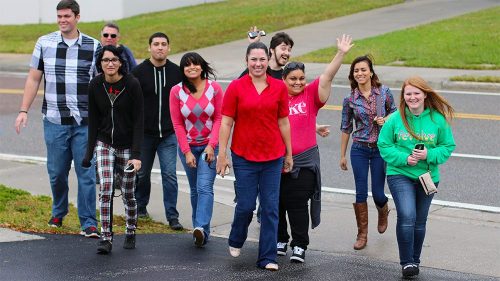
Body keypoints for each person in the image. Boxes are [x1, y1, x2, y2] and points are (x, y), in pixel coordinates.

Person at [14, 0, 100, 238]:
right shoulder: (44, 43)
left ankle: (88, 221)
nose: (63, 20)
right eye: (59, 16)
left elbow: (101, 84)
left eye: (67, 16)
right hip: (54, 120)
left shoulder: (94, 46)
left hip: (85, 122)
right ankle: (59, 211)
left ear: (77, 17)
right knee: (57, 172)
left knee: (86, 172)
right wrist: (23, 110)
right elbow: (33, 79)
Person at [216, 42, 293, 271]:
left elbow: (283, 122)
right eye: (253, 59)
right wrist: (222, 154)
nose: (258, 64)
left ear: (268, 60)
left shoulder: (279, 87)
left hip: (273, 156)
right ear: (246, 61)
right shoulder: (236, 87)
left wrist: (288, 153)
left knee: (270, 208)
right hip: (244, 156)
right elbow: (227, 122)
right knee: (246, 206)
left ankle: (267, 257)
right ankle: (236, 237)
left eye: (262, 59)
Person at [278, 34, 353, 263]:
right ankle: (280, 238)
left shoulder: (310, 95)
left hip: (305, 160)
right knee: (277, 201)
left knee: (298, 202)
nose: (298, 82)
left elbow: (328, 75)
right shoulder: (276, 96)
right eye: (293, 79)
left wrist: (340, 53)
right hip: (277, 159)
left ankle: (300, 245)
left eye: (301, 78)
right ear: (284, 79)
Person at [378, 76, 455, 278]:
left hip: (427, 177)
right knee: (407, 215)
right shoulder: (395, 118)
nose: (412, 97)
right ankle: (407, 262)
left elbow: (448, 146)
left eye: (416, 93)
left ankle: (415, 260)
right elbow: (384, 145)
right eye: (408, 93)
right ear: (403, 96)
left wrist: (429, 155)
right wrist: (405, 158)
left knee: (420, 221)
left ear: (424, 95)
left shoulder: (437, 119)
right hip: (400, 173)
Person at [83, 45, 144, 254]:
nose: (110, 63)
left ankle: (130, 229)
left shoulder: (132, 84)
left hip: (127, 146)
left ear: (120, 63)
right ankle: (106, 237)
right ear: (100, 63)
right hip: (104, 144)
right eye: (106, 60)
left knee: (128, 193)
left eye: (114, 60)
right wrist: (88, 152)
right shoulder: (95, 85)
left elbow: (138, 122)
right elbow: (92, 120)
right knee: (106, 189)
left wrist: (136, 155)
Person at [339, 55, 397, 250]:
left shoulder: (384, 93)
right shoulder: (350, 99)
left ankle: (383, 208)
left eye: (363, 69)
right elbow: (346, 127)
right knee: (360, 192)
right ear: (352, 75)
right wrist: (342, 155)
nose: (360, 73)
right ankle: (362, 235)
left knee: (378, 193)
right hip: (359, 149)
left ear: (371, 72)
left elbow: (397, 113)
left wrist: (386, 119)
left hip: (380, 149)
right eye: (356, 71)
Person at [169, 52, 223, 247]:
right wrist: (186, 151)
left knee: (204, 187)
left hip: (209, 147)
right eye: (187, 65)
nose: (192, 68)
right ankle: (200, 233)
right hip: (188, 148)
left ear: (202, 66)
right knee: (194, 190)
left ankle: (200, 227)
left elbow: (219, 119)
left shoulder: (214, 88)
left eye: (195, 64)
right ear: (183, 70)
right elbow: (177, 124)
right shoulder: (177, 91)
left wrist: (212, 145)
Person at [132, 32, 184, 230]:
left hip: (169, 135)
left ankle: (172, 215)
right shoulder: (138, 72)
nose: (160, 47)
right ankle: (140, 208)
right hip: (145, 134)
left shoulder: (177, 72)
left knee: (170, 174)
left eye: (163, 44)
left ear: (169, 48)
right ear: (149, 47)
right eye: (156, 44)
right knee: (142, 174)